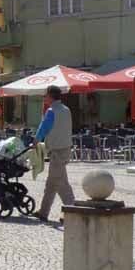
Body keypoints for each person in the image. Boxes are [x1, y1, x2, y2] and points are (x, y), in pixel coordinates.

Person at [33, 85, 75, 222]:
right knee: (51, 184)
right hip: (66, 149)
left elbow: (44, 127)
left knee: (61, 184)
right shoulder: (66, 109)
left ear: (51, 96)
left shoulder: (52, 111)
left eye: (46, 95)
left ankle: (72, 211)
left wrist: (36, 140)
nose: (45, 97)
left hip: (57, 151)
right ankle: (43, 212)